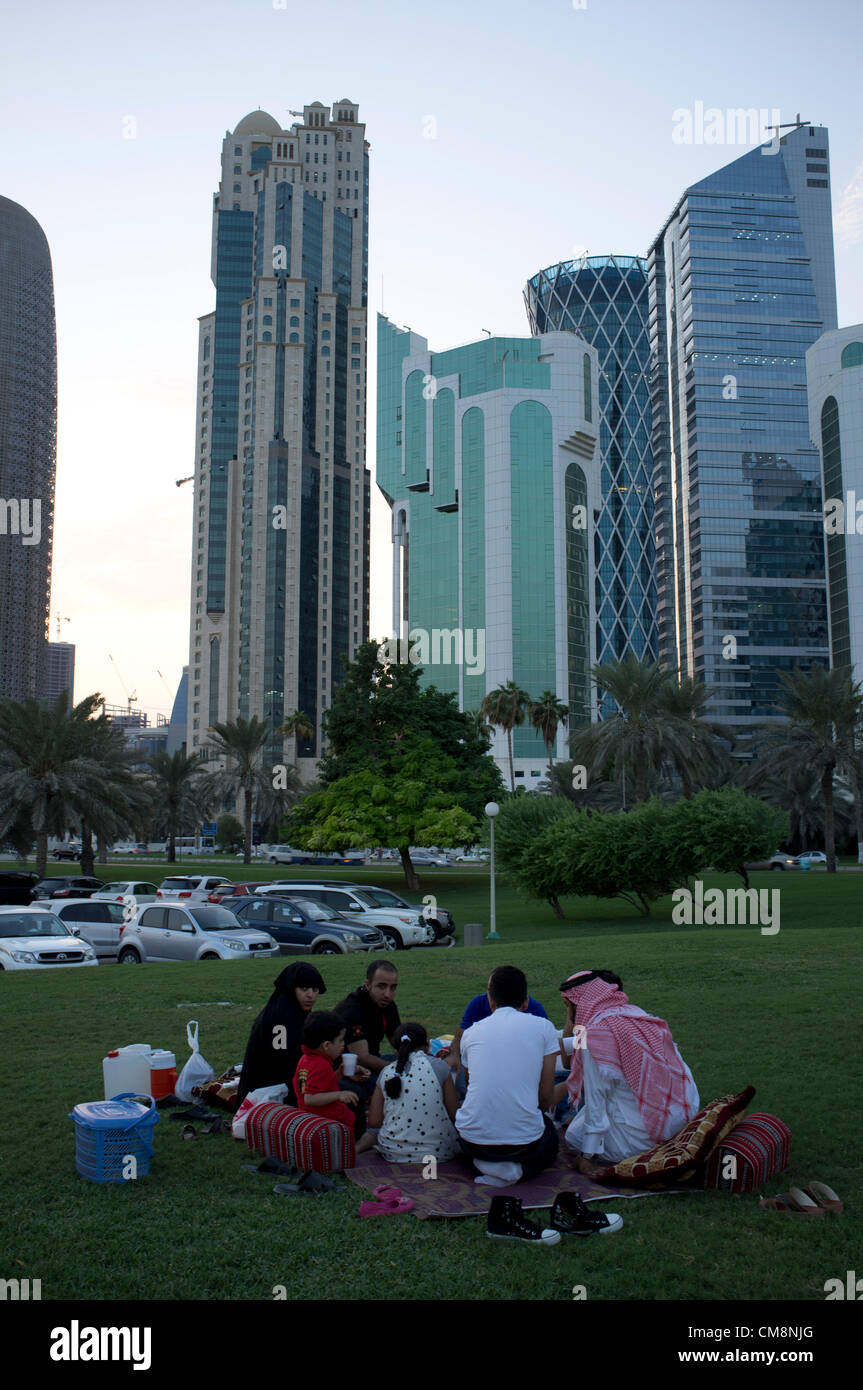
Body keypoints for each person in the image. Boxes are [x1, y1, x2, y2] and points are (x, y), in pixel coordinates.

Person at [557, 970, 700, 1171]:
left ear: (578, 1004)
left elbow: (596, 1100)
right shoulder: (638, 1016)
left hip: (642, 1139)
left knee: (574, 1135)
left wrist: (587, 1156)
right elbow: (570, 1050)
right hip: (680, 1121)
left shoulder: (594, 1037)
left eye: (568, 1006)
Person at [455, 965, 560, 1186]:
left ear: (491, 1001)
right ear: (525, 1002)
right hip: (525, 1143)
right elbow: (546, 1094)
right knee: (550, 1139)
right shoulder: (545, 1027)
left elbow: (469, 1083)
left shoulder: (470, 1033)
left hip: (474, 1139)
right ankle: (514, 1169)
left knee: (468, 1140)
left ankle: (487, 1165)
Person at [366, 1021, 460, 1162]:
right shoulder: (440, 1067)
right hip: (438, 1152)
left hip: (392, 1151)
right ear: (427, 1043)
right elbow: (455, 1114)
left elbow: (374, 1121)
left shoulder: (387, 1072)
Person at [236, 962, 326, 1105]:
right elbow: (280, 1063)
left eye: (315, 989)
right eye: (304, 988)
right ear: (291, 989)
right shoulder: (279, 1019)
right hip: (269, 1094)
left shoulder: (297, 1013)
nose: (311, 995)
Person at [293, 1010, 376, 1153]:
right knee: (373, 1132)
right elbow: (310, 1098)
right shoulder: (321, 1066)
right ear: (326, 1045)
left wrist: (339, 1074)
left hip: (312, 1118)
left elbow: (321, 1086)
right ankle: (353, 1147)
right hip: (329, 1126)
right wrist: (339, 1095)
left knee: (355, 1102)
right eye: (340, 1040)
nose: (343, 1045)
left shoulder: (307, 1059)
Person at [444, 977, 550, 1081]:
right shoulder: (478, 1004)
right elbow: (460, 1037)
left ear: (491, 999)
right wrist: (454, 1054)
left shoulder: (536, 1012)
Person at [333, 959, 400, 1093]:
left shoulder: (387, 1005)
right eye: (382, 986)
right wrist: (398, 1069)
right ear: (368, 984)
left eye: (392, 987)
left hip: (373, 1061)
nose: (388, 994)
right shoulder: (352, 1010)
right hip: (348, 1071)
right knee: (399, 1083)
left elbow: (399, 1040)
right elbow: (363, 1058)